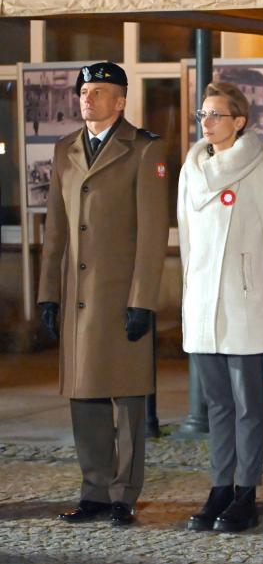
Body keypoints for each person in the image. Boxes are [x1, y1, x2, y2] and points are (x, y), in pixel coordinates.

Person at [37, 61, 170, 527]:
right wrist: (48, 293)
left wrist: (143, 299)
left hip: (121, 295)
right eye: (84, 91)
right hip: (77, 295)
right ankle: (94, 491)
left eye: (98, 91)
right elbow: (56, 228)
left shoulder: (144, 149)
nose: (87, 98)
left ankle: (123, 495)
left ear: (121, 100)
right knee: (84, 395)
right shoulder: (65, 149)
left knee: (128, 398)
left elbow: (153, 232)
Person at [178, 82, 263, 533]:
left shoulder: (261, 171)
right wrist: (189, 297)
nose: (206, 122)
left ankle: (246, 493)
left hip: (247, 304)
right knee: (217, 405)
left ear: (239, 121)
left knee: (248, 406)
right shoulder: (192, 169)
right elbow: (187, 242)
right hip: (203, 306)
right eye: (202, 114)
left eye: (216, 115)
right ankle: (219, 488)